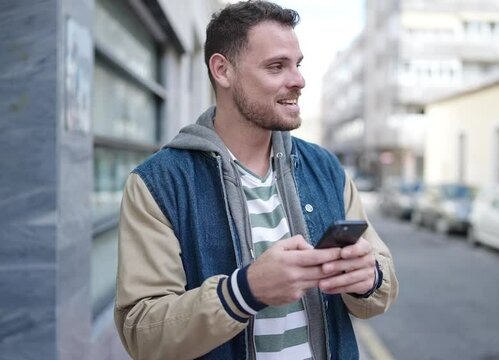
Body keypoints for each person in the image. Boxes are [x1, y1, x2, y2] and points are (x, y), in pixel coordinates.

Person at [114, 1, 398, 359]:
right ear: (222, 70)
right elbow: (142, 334)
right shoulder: (158, 184)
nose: (298, 80)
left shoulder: (326, 168)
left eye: (297, 65)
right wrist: (243, 291)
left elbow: (380, 286)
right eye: (277, 66)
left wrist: (368, 279)